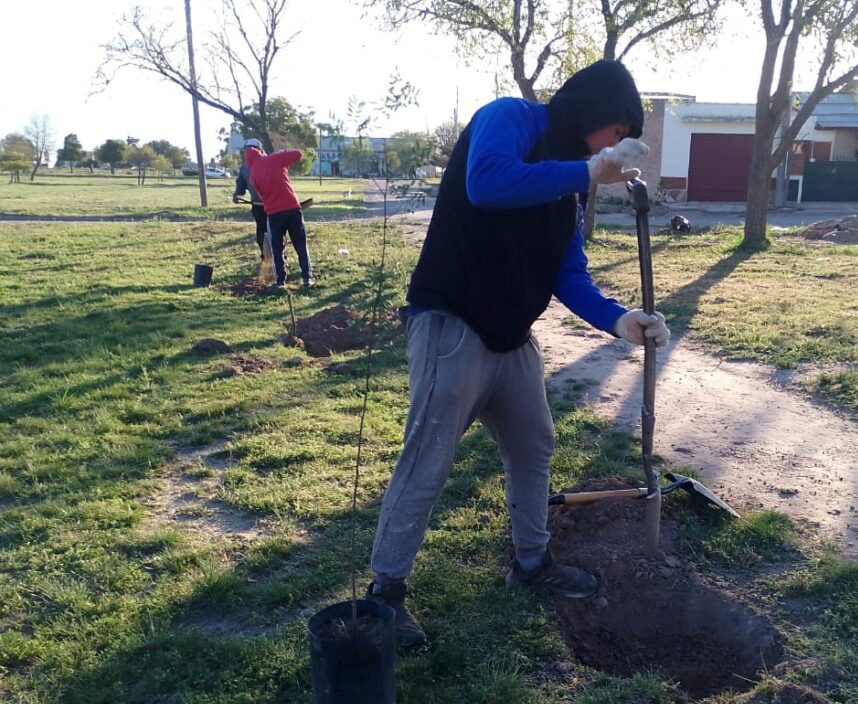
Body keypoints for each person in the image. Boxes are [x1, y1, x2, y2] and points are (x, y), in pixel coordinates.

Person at [367, 60, 670, 647]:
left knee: (535, 445)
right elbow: (488, 182)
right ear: (595, 115)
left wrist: (619, 319)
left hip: (513, 338)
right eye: (617, 136)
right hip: (450, 322)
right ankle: (386, 594)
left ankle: (531, 563)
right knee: (428, 458)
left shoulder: (569, 190)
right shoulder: (510, 119)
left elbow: (569, 274)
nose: (616, 152)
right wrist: (584, 169)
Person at [242, 143, 314, 288]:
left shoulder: (253, 175)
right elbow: (298, 154)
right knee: (300, 244)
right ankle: (307, 278)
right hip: (293, 208)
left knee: (277, 248)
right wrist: (282, 156)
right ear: (261, 152)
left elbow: (262, 196)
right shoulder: (276, 158)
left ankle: (280, 281)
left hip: (274, 213)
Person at [232, 138, 269, 266]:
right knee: (261, 234)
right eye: (248, 151)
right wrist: (237, 194)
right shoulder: (244, 168)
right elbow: (241, 184)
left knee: (275, 232)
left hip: (274, 205)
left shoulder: (269, 163)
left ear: (261, 150)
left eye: (254, 150)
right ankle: (265, 256)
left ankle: (279, 257)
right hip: (258, 206)